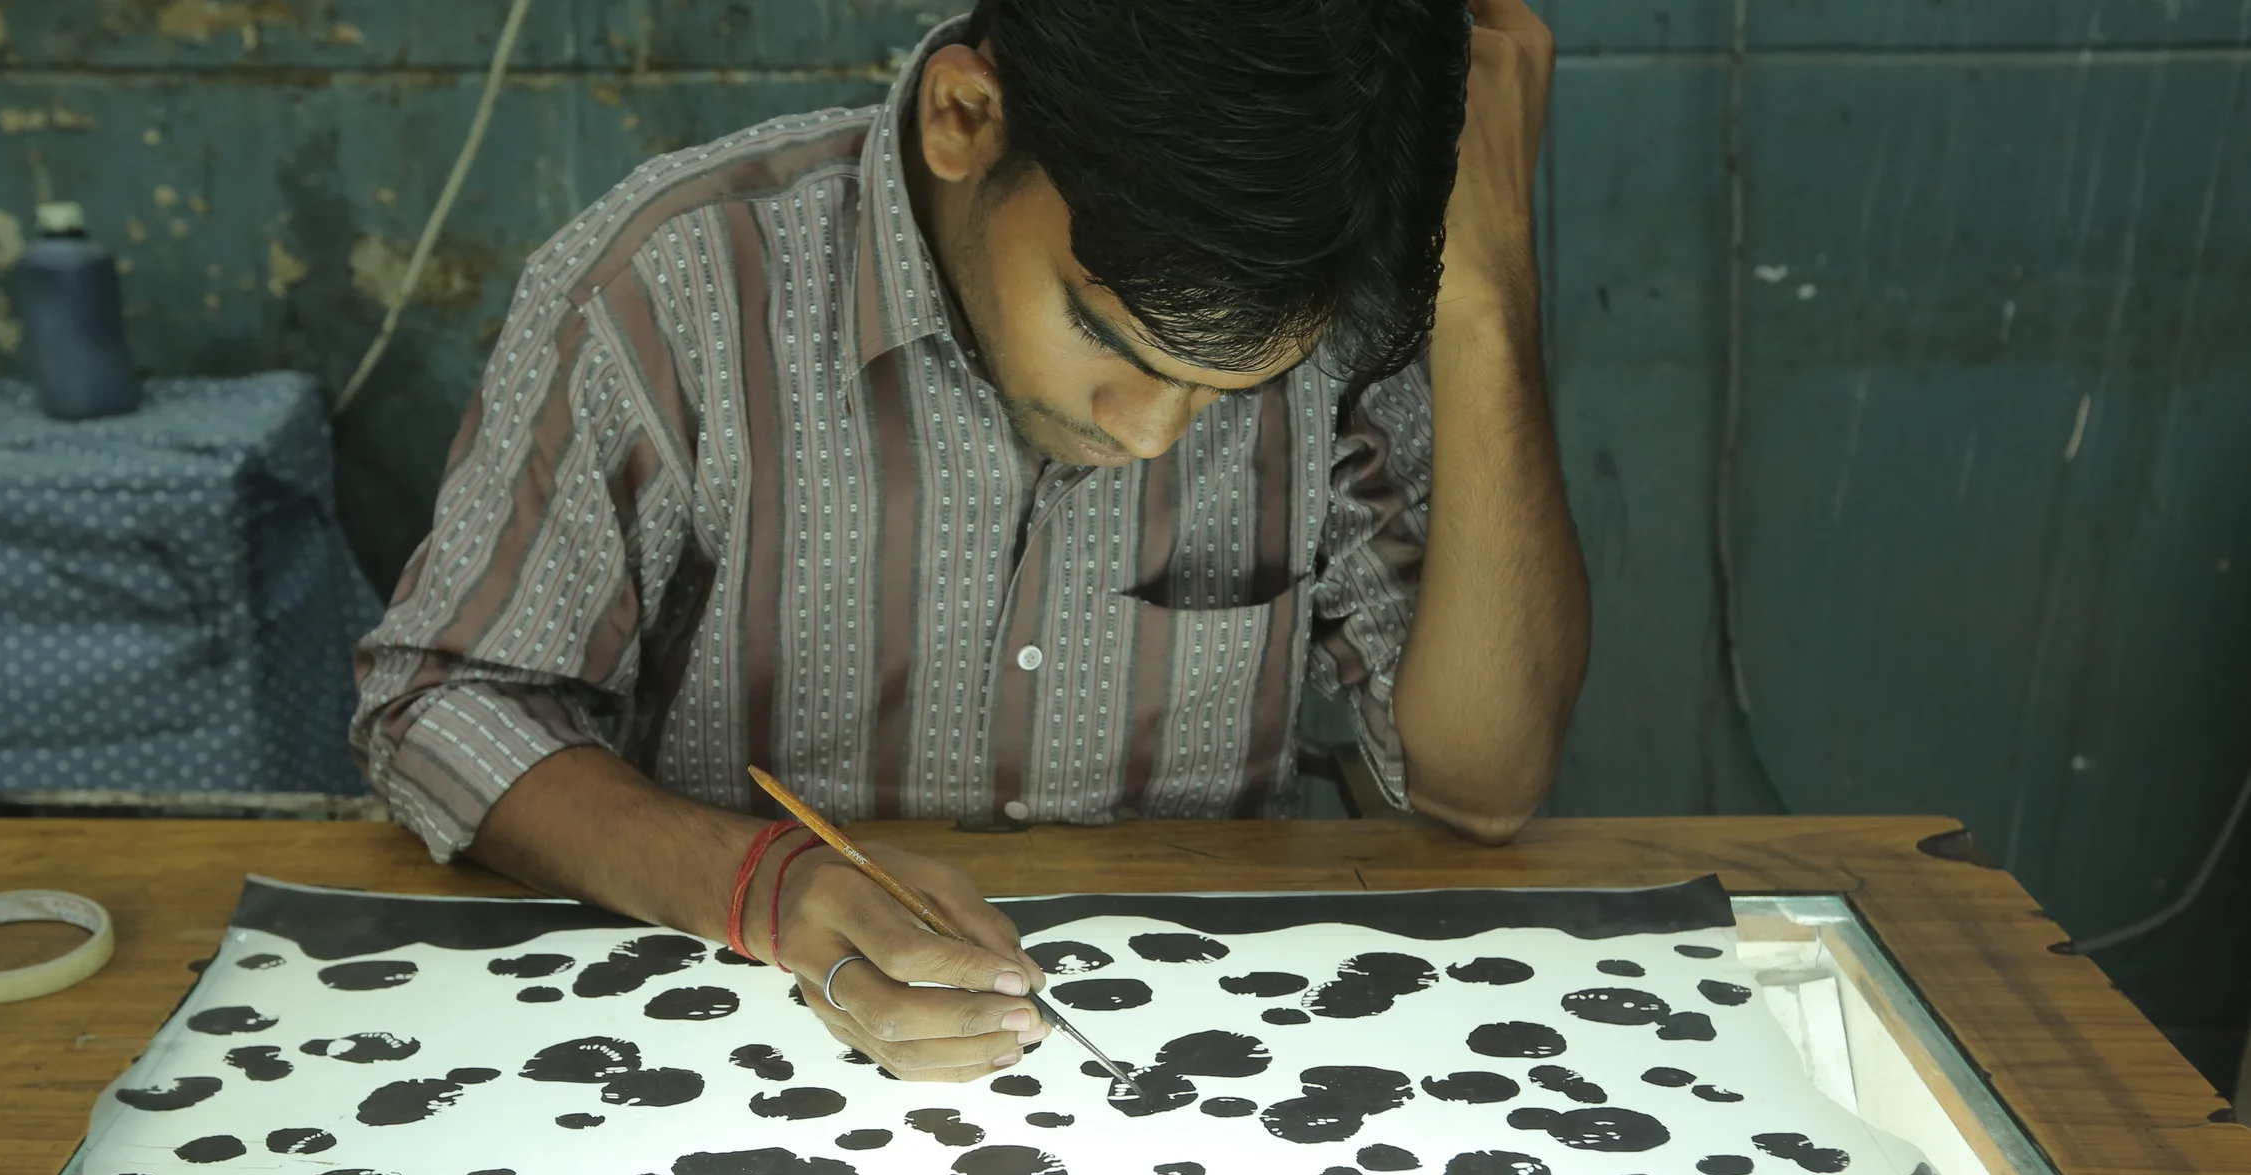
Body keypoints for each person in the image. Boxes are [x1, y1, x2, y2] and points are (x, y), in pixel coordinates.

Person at [352, 0, 1587, 1083]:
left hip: (1184, 1076)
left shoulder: (1328, 301)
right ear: (965, 117)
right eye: (1109, 337)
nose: (1152, 433)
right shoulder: (680, 284)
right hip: (737, 1046)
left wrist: (1486, 291)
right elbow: (442, 702)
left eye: (1223, 393)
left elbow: (1479, 788)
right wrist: (760, 885)